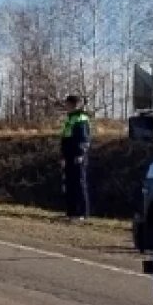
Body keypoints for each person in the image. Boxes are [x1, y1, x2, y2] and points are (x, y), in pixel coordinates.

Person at [60, 94, 91, 222]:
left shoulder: (80, 118)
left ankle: (82, 213)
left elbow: (83, 139)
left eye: (67, 104)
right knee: (69, 183)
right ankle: (71, 212)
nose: (65, 106)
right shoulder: (70, 118)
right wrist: (63, 156)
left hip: (77, 156)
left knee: (79, 184)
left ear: (73, 104)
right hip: (68, 155)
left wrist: (80, 154)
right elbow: (65, 138)